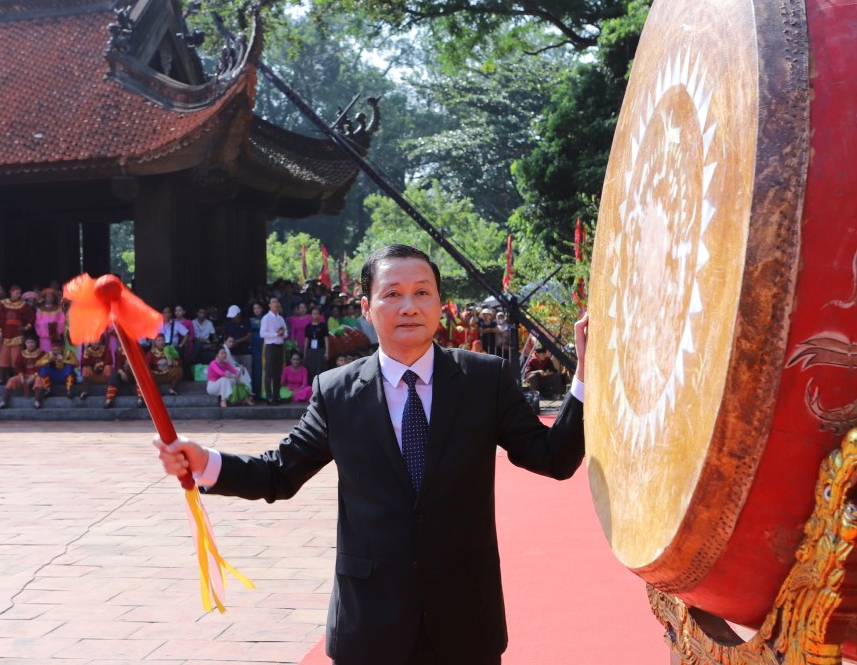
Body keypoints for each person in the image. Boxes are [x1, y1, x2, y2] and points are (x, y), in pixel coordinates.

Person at [155, 244, 586, 665]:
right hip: (369, 622)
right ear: (366, 307)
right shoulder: (336, 392)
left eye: (422, 292)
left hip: (464, 615)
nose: (409, 307)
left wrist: (585, 375)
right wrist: (205, 462)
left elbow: (554, 457)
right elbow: (279, 474)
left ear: (439, 303)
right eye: (392, 294)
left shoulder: (483, 380)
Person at [0, 333, 45, 409]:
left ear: (36, 343)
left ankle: (37, 402)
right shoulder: (22, 353)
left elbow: (43, 366)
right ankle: (4, 402)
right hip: (24, 376)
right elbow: (18, 366)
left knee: (39, 380)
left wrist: (33, 376)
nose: (30, 344)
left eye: (32, 342)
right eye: (28, 342)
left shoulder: (41, 353)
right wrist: (21, 376)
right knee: (11, 380)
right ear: (25, 343)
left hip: (36, 376)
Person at [259, 296, 288, 405]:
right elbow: (262, 333)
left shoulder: (281, 318)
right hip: (270, 346)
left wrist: (282, 334)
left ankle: (276, 396)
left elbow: (286, 333)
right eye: (273, 302)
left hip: (280, 346)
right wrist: (276, 334)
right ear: (269, 305)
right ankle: (269, 397)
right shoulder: (266, 318)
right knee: (269, 372)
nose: (276, 304)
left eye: (277, 301)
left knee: (278, 373)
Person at [223, 304, 254, 377]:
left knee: (247, 373)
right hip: (233, 352)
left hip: (246, 352)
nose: (232, 318)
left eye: (234, 316)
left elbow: (249, 335)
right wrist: (231, 341)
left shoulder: (246, 321)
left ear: (239, 314)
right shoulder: (228, 323)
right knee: (235, 373)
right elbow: (226, 335)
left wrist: (237, 341)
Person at [79, 337, 113, 401]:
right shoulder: (87, 350)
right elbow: (84, 363)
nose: (96, 342)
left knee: (108, 367)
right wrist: (86, 351)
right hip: (92, 375)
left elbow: (109, 360)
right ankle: (84, 391)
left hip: (103, 375)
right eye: (94, 340)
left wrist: (100, 364)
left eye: (98, 340)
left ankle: (109, 391)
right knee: (86, 368)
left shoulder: (104, 348)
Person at [302, 305, 329, 382]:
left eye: (317, 314)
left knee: (320, 368)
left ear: (319, 315)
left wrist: (327, 352)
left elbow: (326, 339)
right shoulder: (308, 326)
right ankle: (311, 385)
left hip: (321, 349)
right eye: (314, 314)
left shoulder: (323, 325)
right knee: (311, 367)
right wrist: (305, 353)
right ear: (311, 315)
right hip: (310, 350)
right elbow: (306, 340)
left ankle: (321, 384)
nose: (316, 315)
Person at [249, 301, 265, 401]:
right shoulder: (250, 320)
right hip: (255, 345)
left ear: (262, 309)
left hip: (265, 344)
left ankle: (265, 393)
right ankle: (257, 393)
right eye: (254, 308)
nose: (257, 310)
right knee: (256, 369)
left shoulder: (267, 318)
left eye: (258, 308)